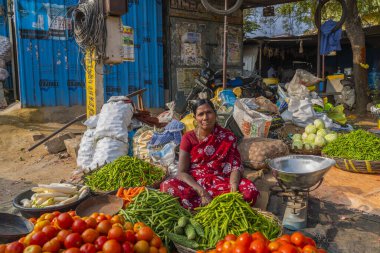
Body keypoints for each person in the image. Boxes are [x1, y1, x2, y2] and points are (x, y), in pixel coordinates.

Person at [160, 99, 259, 209]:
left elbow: (235, 165)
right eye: (200, 114)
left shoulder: (227, 136)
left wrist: (234, 187)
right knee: (167, 186)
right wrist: (201, 192)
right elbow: (182, 172)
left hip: (222, 180)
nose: (205, 117)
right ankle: (219, 206)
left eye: (209, 112)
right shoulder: (188, 138)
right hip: (196, 183)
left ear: (215, 114)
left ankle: (207, 206)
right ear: (195, 118)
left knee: (250, 191)